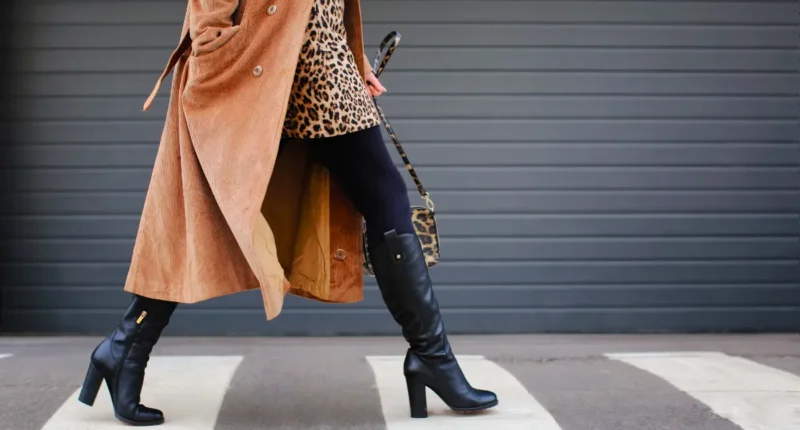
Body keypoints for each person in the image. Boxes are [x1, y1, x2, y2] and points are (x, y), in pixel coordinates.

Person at [77, 0, 498, 426]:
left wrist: (352, 59)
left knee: (369, 197)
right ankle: (432, 359)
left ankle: (123, 349)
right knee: (212, 213)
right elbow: (210, 22)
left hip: (320, 64)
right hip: (283, 68)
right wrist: (236, 65)